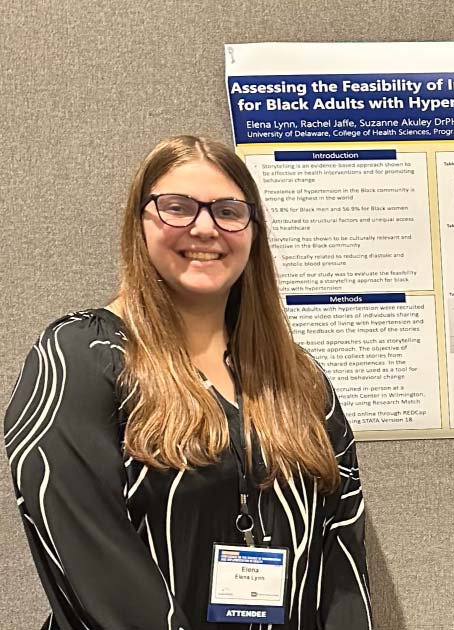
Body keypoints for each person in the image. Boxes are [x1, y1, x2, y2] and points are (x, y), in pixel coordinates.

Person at [4, 136, 372, 629]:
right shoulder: (81, 357)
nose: (204, 227)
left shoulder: (299, 380)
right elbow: (88, 553)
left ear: (253, 231)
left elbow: (342, 550)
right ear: (140, 222)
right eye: (177, 207)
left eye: (228, 210)